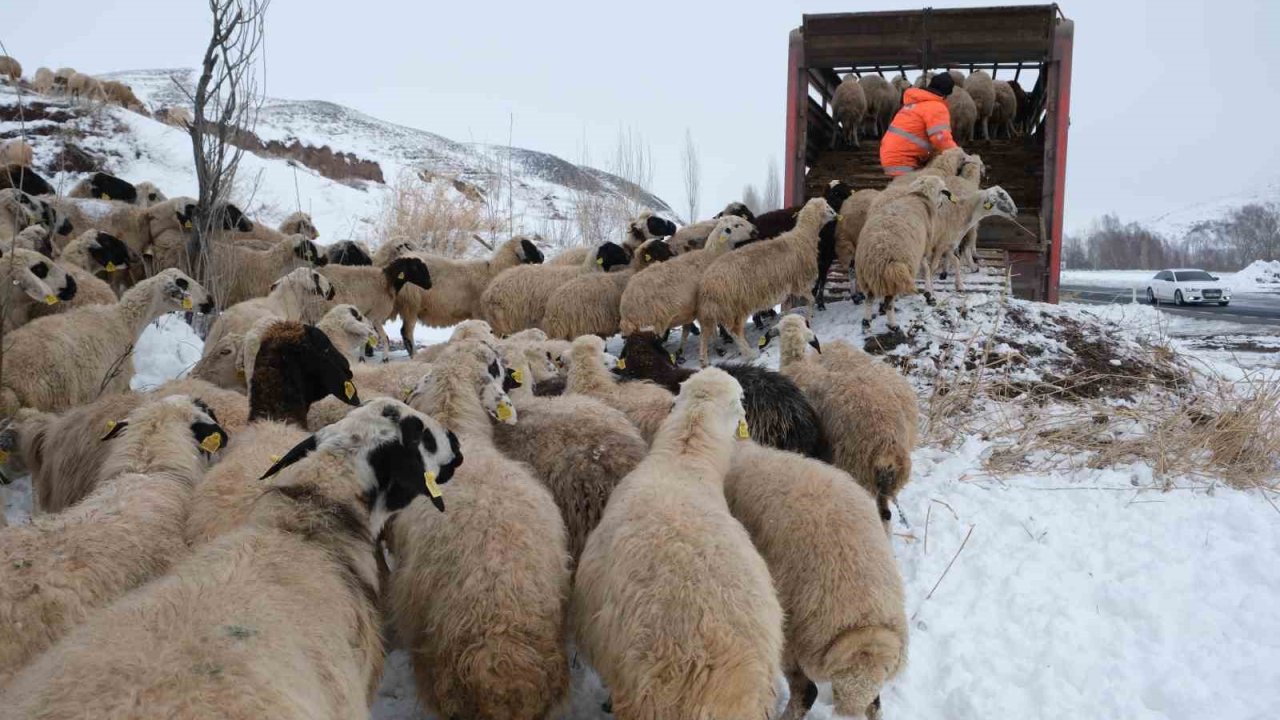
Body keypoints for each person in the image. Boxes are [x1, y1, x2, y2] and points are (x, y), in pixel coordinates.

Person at [880, 72, 960, 176]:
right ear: (946, 94)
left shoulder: (915, 104)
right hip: (904, 159)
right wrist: (959, 155)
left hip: (891, 154)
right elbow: (941, 138)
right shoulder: (935, 107)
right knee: (914, 190)